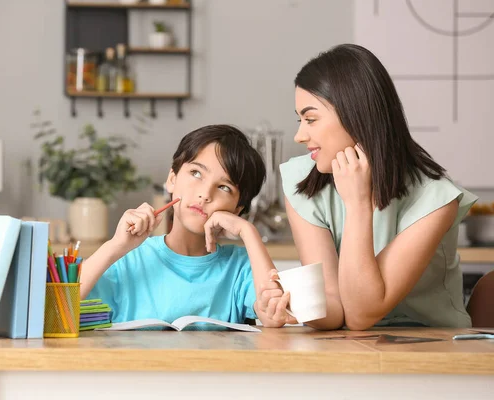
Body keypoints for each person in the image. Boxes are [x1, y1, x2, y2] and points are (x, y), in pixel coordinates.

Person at [257, 44, 477, 330]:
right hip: (350, 349)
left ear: (357, 116)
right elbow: (335, 307)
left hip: (434, 347)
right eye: (300, 120)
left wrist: (359, 204)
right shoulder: (300, 181)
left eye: (310, 119)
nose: (300, 135)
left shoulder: (436, 199)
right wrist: (293, 306)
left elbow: (361, 314)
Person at [79, 124, 284, 327]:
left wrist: (248, 230)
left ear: (238, 209)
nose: (205, 194)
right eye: (196, 173)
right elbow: (58, 309)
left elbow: (274, 317)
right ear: (172, 179)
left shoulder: (241, 267)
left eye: (224, 187)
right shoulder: (127, 259)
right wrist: (115, 246)